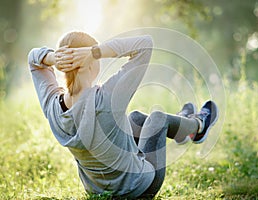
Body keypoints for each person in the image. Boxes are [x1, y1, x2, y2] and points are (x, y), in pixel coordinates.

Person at [28, 31, 218, 199]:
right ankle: (198, 126)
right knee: (158, 118)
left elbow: (34, 61)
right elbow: (145, 44)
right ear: (88, 65)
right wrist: (95, 51)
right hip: (141, 188)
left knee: (135, 118)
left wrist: (54, 58)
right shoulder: (108, 98)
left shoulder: (52, 105)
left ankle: (181, 127)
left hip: (97, 191)